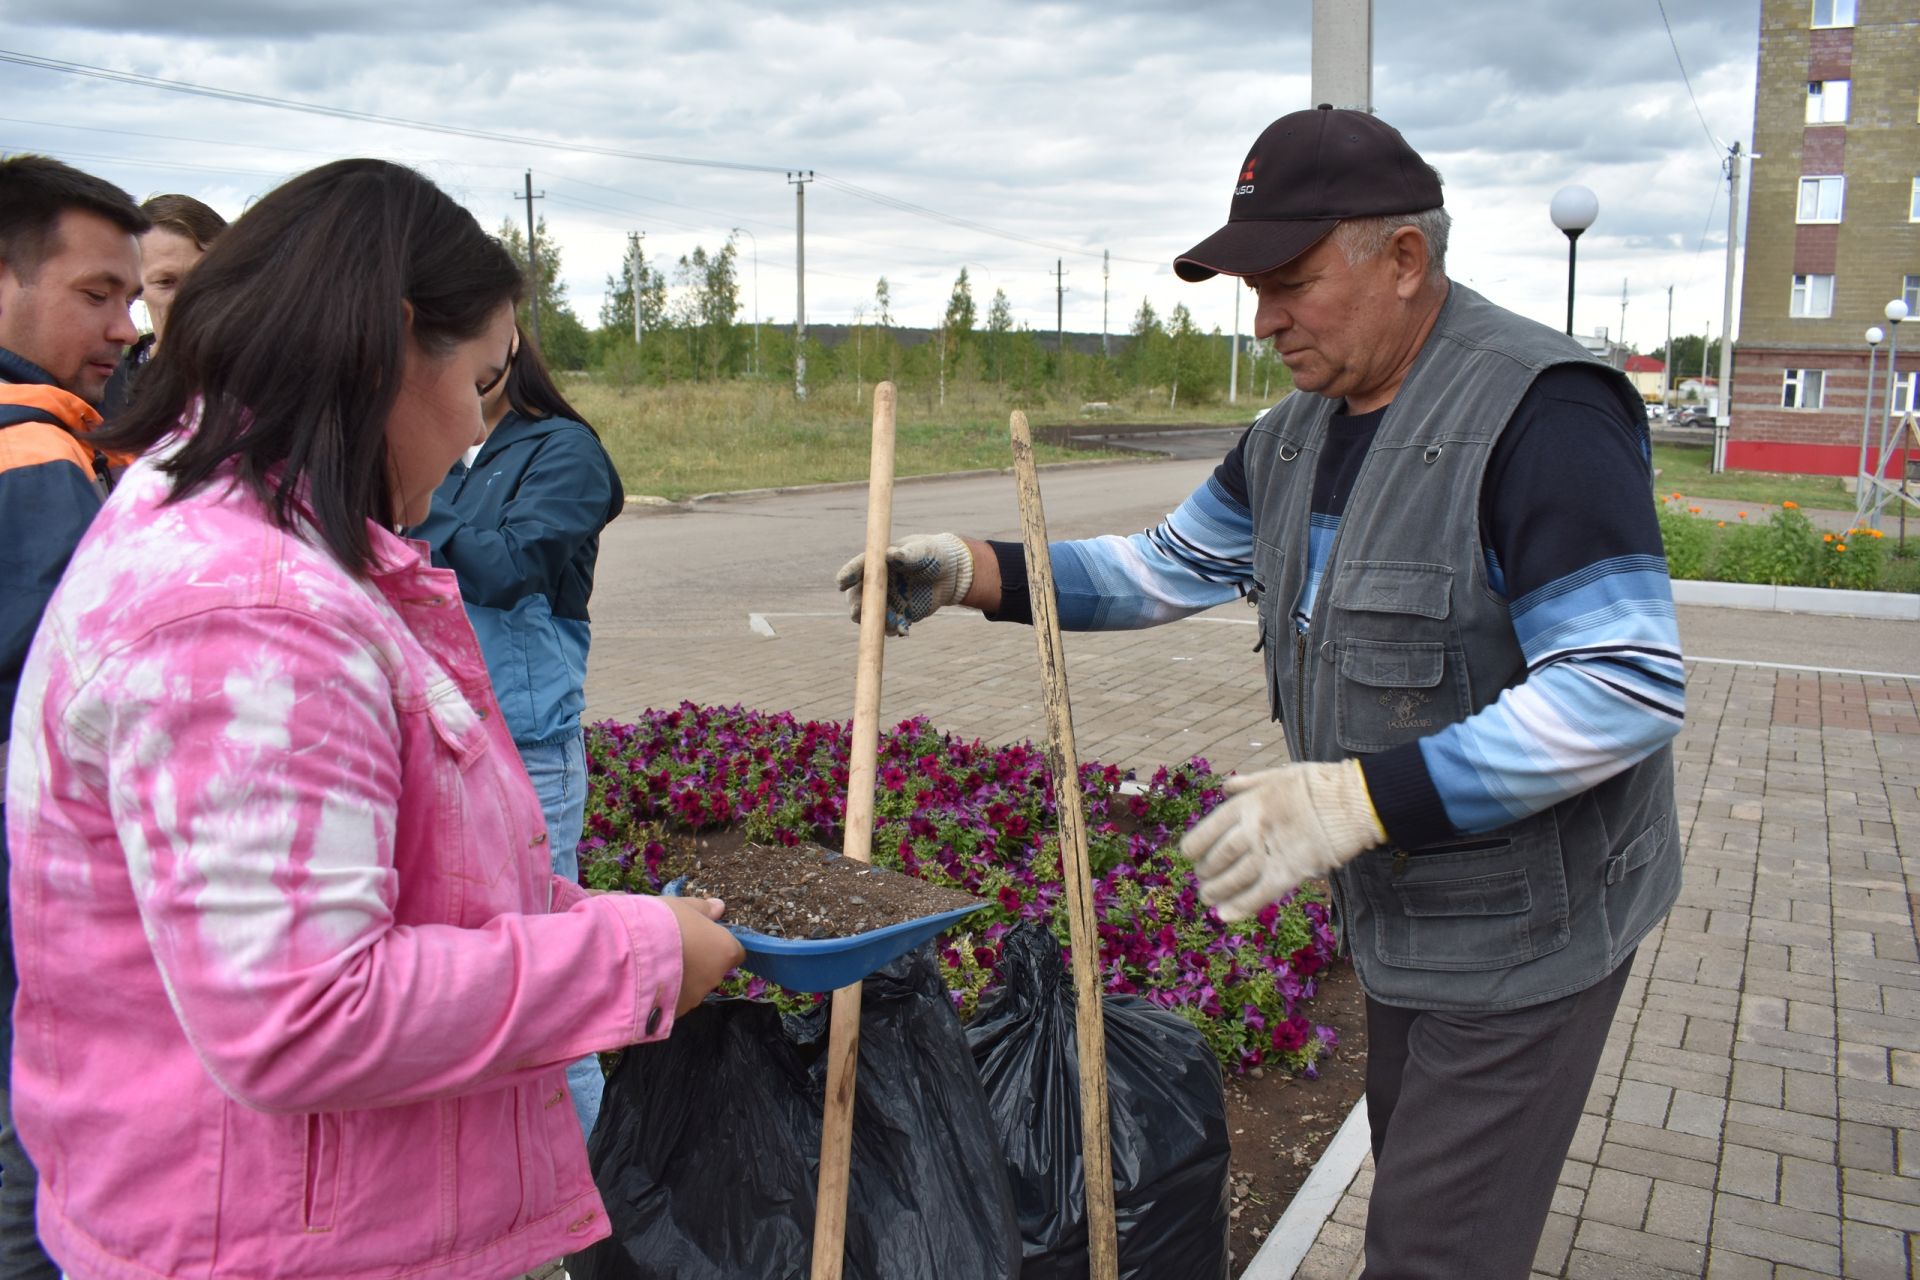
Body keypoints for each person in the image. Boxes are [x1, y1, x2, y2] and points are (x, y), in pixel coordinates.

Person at [838, 107, 1684, 1279]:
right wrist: (975, 569)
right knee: (1425, 1193)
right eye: (1252, 286)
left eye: (1289, 281)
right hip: (1405, 921)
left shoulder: (1544, 414)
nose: (1265, 318)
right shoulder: (1293, 435)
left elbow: (1625, 683)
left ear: (1403, 260)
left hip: (1529, 927)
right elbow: (1162, 566)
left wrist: (1358, 801)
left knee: (1434, 1250)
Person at [6, 158, 743, 1280]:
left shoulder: (249, 531)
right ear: (394, 344)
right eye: (480, 382)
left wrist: (576, 911)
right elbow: (304, 1010)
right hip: (264, 1238)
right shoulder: (247, 608)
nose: (470, 435)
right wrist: (627, 955)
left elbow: (388, 881)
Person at [408, 325, 625, 1138]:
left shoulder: (563, 451)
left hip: (527, 749)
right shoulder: (439, 448)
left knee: (550, 995)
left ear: (505, 348)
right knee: (464, 983)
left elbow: (507, 568)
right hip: (436, 739)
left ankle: (603, 1239)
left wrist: (403, 497)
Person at [0, 153, 149, 1280]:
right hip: (26, 907)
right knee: (29, 1169)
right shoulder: (35, 455)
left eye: (134, 296)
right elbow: (95, 705)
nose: (127, 324)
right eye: (97, 293)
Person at [100, 193, 227, 415]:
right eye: (166, 282)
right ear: (137, 289)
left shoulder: (272, 387)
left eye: (204, 279)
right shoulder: (104, 391)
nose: (187, 297)